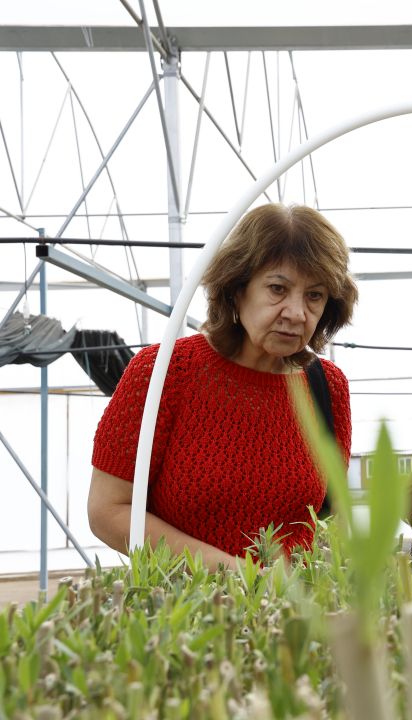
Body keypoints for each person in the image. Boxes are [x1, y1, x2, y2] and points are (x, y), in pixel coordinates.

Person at [88, 204, 358, 567]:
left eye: (315, 295)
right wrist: (233, 573)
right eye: (278, 288)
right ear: (236, 288)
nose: (297, 312)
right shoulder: (165, 372)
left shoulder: (327, 386)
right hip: (189, 612)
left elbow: (329, 517)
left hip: (294, 612)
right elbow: (108, 511)